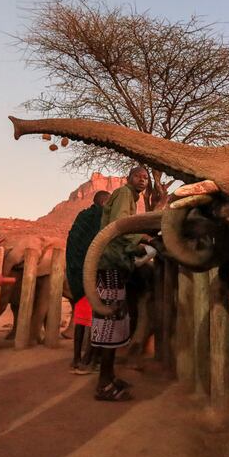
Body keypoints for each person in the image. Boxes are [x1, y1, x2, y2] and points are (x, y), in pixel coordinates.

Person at [91, 166, 150, 401]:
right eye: (139, 176)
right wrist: (142, 238)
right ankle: (104, 384)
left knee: (115, 320)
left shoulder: (130, 198)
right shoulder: (125, 194)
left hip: (114, 262)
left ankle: (109, 375)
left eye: (146, 178)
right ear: (129, 178)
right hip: (110, 264)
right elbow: (119, 226)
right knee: (110, 320)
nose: (143, 180)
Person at [65, 190, 110, 374]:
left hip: (78, 276)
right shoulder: (102, 219)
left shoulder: (82, 217)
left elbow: (73, 245)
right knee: (96, 320)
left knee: (81, 321)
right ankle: (87, 359)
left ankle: (76, 357)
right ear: (104, 202)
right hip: (94, 276)